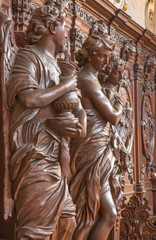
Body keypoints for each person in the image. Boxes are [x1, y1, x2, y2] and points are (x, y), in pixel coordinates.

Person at [7, 2, 86, 240]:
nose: (67, 34)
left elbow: (78, 111)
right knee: (35, 232)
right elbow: (29, 98)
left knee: (68, 222)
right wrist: (65, 87)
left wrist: (78, 128)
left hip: (58, 154)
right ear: (53, 27)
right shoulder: (28, 56)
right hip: (36, 149)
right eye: (63, 26)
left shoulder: (60, 66)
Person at [69, 34, 124, 240]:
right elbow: (113, 116)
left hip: (98, 151)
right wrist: (120, 105)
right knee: (91, 211)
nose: (106, 62)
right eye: (102, 56)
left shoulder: (92, 80)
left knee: (101, 213)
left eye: (108, 57)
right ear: (90, 55)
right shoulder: (86, 79)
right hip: (89, 151)